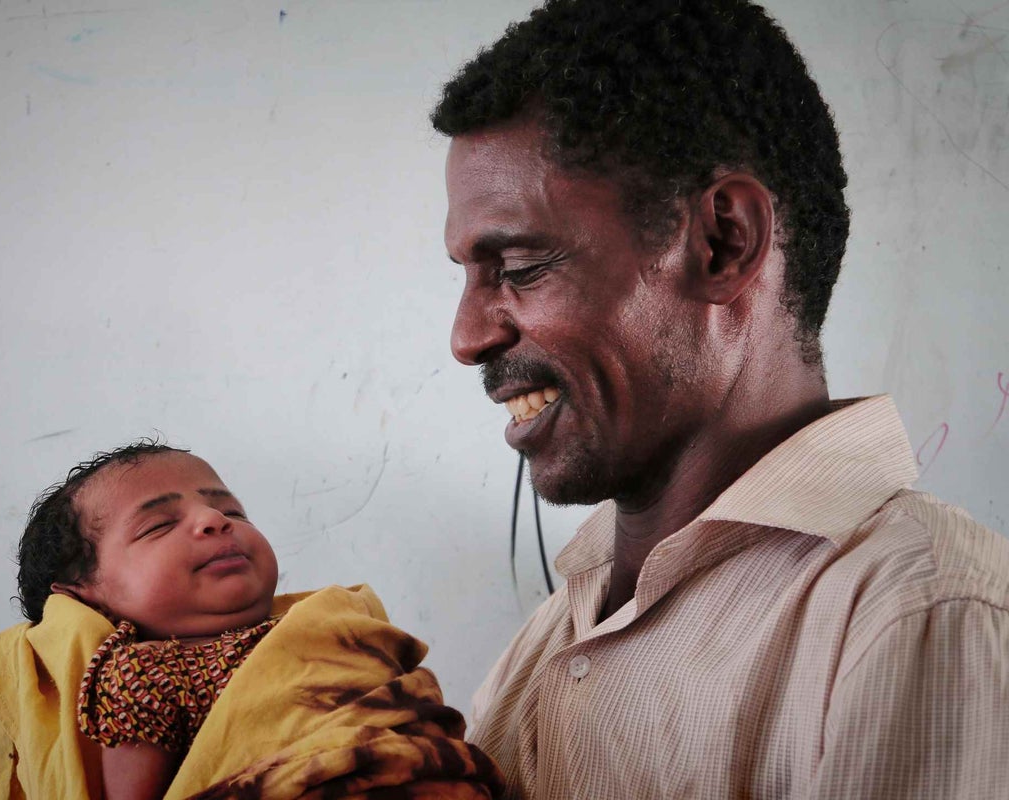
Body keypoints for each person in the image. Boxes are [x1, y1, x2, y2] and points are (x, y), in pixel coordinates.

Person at [431, 0, 1009, 798]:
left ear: (722, 242)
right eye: (465, 274)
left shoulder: (919, 615)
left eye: (521, 266)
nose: (467, 337)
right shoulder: (556, 630)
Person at [0, 440, 503, 800]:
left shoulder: (332, 626)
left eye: (232, 512)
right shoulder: (142, 676)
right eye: (157, 525)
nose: (213, 521)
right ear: (86, 598)